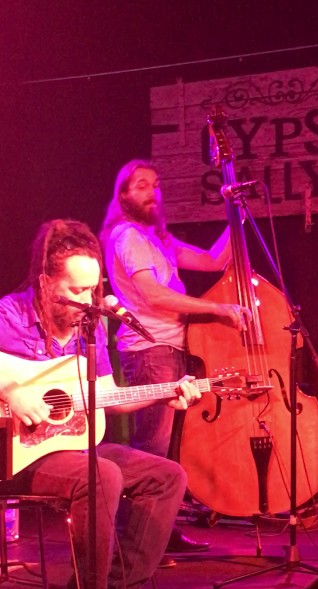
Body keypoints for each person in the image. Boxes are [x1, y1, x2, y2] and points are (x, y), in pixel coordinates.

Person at [0, 218, 198, 589]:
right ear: (46, 282)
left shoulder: (92, 329)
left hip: (65, 446)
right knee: (100, 476)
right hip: (10, 455)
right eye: (77, 291)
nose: (88, 301)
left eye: (93, 290)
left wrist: (164, 395)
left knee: (166, 476)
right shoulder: (8, 314)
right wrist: (12, 390)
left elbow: (108, 397)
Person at [99, 160, 250, 557]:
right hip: (150, 351)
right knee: (152, 451)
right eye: (142, 185)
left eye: (157, 184)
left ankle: (158, 533)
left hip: (169, 349)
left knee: (162, 452)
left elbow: (215, 261)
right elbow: (155, 296)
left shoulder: (158, 239)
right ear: (124, 196)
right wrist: (218, 309)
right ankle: (136, 541)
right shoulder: (127, 235)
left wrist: (236, 211)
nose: (154, 192)